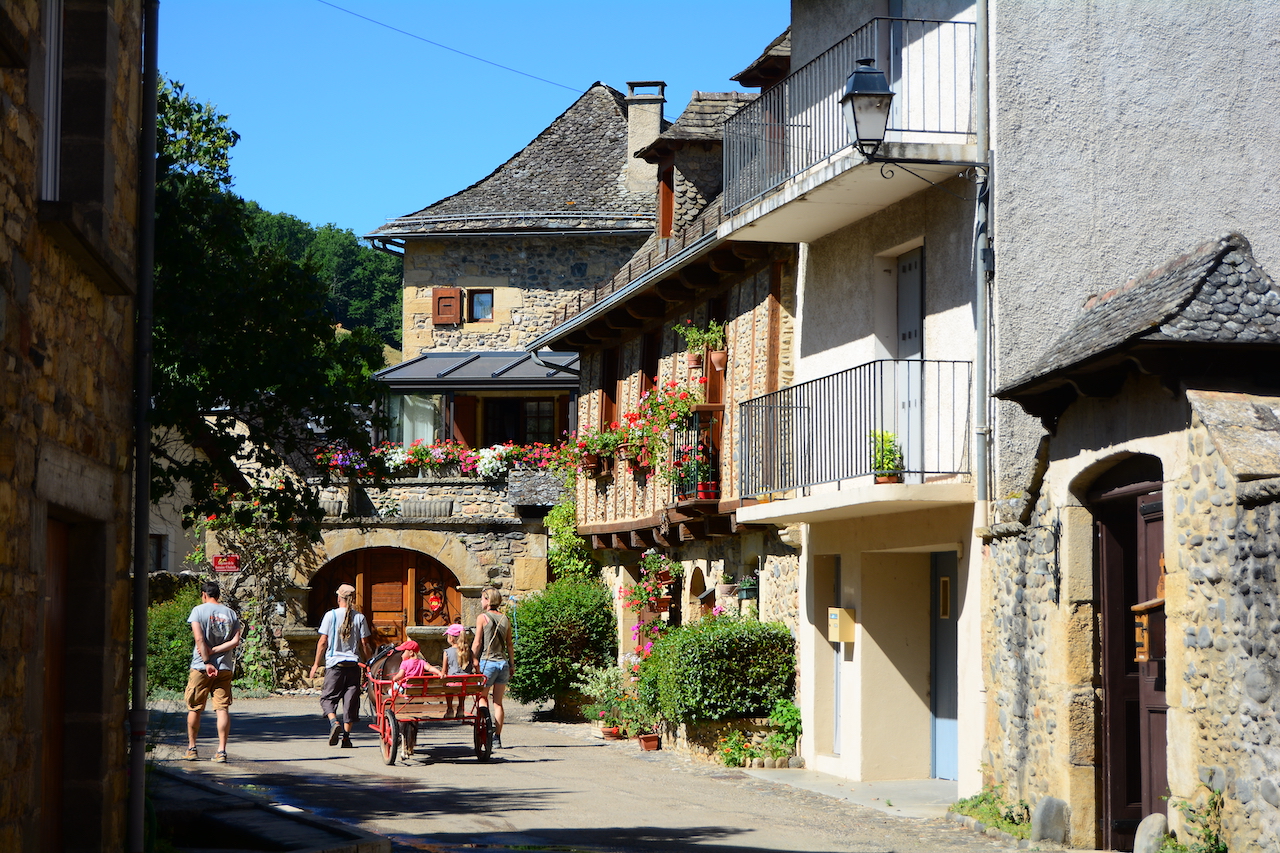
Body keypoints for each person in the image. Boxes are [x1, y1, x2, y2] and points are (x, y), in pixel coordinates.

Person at [184, 580, 242, 763]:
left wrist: (207, 659)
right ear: (218, 595)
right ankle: (221, 751)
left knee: (195, 707)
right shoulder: (231, 613)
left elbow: (199, 638)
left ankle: (192, 748)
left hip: (201, 667)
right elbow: (235, 641)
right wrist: (217, 652)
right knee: (222, 708)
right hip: (224, 667)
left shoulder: (198, 611)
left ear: (204, 595)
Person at [310, 583, 374, 748]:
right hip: (353, 666)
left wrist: (316, 664)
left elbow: (323, 642)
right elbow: (365, 644)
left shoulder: (330, 615)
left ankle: (334, 723)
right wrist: (370, 663)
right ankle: (346, 738)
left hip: (335, 665)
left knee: (327, 699)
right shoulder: (359, 617)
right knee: (350, 702)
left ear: (339, 598)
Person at [471, 587, 514, 749]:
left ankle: (486, 727)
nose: (481, 601)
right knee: (498, 702)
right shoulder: (505, 619)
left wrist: (473, 659)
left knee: (482, 698)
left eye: (483, 598)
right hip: (502, 663)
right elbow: (509, 644)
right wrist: (512, 664)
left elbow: (477, 642)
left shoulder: (482, 618)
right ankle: (497, 737)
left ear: (488, 600)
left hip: (487, 662)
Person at [390, 639, 439, 760]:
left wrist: (394, 678)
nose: (402, 655)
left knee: (391, 691)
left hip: (407, 693)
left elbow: (401, 676)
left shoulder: (405, 664)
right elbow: (431, 669)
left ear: (411, 652)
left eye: (404, 652)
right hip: (418, 693)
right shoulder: (422, 662)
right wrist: (439, 673)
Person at [442, 623, 474, 719]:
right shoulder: (469, 651)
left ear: (451, 638)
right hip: (467, 683)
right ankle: (461, 708)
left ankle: (450, 709)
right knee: (462, 685)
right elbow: (476, 663)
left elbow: (444, 670)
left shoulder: (447, 652)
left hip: (452, 683)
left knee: (447, 684)